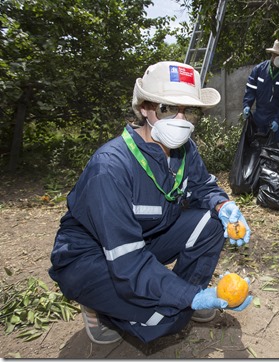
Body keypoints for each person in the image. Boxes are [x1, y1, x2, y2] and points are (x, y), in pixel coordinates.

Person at [48, 61, 253, 345]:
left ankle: (183, 297)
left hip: (143, 241)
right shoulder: (110, 168)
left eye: (189, 110)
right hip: (93, 258)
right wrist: (188, 297)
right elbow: (127, 260)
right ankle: (100, 305)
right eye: (167, 108)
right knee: (169, 319)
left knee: (211, 223)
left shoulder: (185, 149)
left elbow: (202, 186)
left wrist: (223, 207)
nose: (180, 119)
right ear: (144, 108)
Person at [242, 39, 279, 142]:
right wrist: (246, 105)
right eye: (277, 54)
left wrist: (278, 120)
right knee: (254, 149)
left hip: (276, 120)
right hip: (259, 117)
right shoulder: (259, 69)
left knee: (273, 152)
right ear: (272, 53)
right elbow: (250, 89)